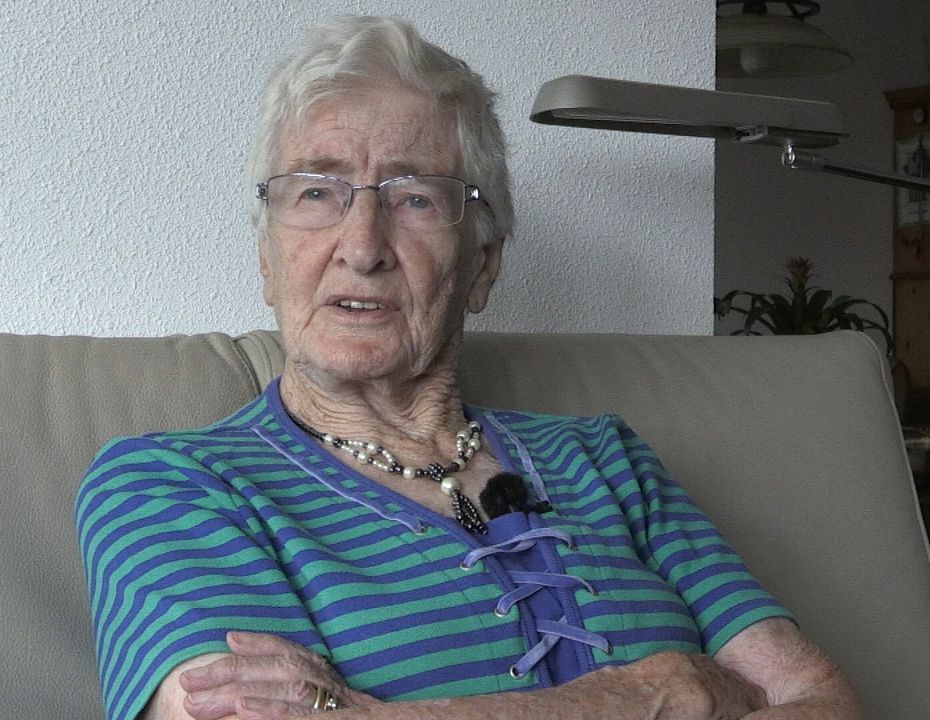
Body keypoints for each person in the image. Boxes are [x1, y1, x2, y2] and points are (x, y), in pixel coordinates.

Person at [75, 16, 861, 720]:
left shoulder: (603, 460)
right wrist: (646, 694)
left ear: (482, 265)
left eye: (414, 198)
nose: (362, 246)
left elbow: (823, 701)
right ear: (268, 259)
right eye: (316, 193)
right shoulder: (170, 485)